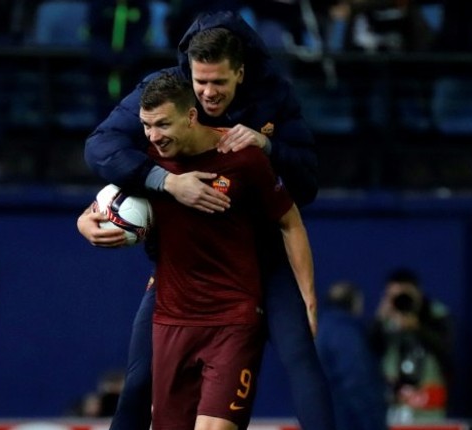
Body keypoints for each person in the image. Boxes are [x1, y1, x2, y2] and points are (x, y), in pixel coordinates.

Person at [79, 10, 334, 430]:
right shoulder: (167, 102)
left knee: (302, 356)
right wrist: (155, 186)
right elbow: (102, 147)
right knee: (138, 381)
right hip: (186, 264)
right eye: (201, 83)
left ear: (241, 73)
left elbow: (303, 190)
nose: (209, 93)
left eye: (220, 82)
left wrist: (267, 144)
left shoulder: (271, 99)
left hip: (258, 257)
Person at [135, 71, 314, 430]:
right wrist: (85, 224)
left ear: (190, 115)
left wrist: (308, 302)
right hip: (172, 322)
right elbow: (103, 210)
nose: (154, 136)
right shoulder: (146, 163)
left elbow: (290, 222)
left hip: (233, 320)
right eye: (146, 125)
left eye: (163, 124)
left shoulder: (243, 159)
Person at [369, 268, 453, 424]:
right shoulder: (386, 318)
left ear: (417, 292)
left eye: (405, 294)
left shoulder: (435, 314)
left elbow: (446, 349)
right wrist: (380, 319)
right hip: (392, 404)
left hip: (427, 404)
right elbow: (370, 351)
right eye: (395, 295)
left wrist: (418, 328)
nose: (401, 300)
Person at [315, 281, 387, 430]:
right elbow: (357, 382)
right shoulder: (346, 333)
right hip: (349, 421)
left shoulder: (320, 330)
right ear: (356, 303)